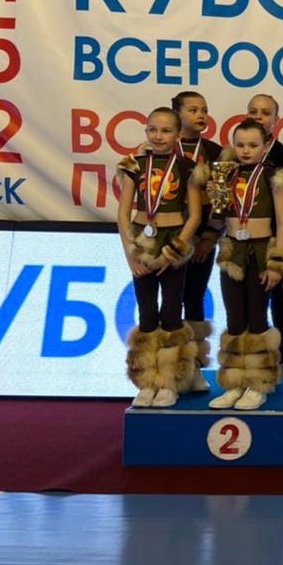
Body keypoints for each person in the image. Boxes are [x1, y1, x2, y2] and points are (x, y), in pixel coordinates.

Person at [117, 107, 204, 408]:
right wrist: (131, 255)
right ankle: (147, 381)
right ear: (146, 131)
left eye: (166, 131)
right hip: (142, 241)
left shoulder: (188, 167)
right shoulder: (133, 164)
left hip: (173, 240)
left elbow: (195, 216)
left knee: (171, 311)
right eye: (152, 129)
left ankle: (169, 381)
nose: (158, 136)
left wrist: (174, 252)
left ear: (178, 134)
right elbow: (123, 213)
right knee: (146, 314)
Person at [210, 118, 283, 411]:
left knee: (257, 319)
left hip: (261, 251)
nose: (246, 151)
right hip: (233, 250)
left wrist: (277, 263)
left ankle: (258, 384)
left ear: (266, 146)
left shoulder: (275, 177)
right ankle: (235, 383)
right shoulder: (225, 175)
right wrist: (214, 200)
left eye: (253, 145)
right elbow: (217, 221)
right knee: (235, 320)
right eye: (240, 145)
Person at [171, 90, 223, 391]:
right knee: (169, 301)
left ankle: (195, 367)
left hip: (201, 240)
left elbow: (222, 202)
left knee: (194, 296)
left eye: (204, 109)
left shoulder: (216, 153)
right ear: (177, 114)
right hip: (168, 241)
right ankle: (168, 368)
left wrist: (210, 237)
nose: (201, 115)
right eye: (193, 110)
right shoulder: (160, 151)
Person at [246, 93, 283, 377]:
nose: (258, 117)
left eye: (265, 113)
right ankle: (253, 359)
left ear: (277, 120)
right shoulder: (234, 155)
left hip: (277, 239)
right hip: (244, 243)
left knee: (281, 300)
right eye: (253, 111)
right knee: (249, 304)